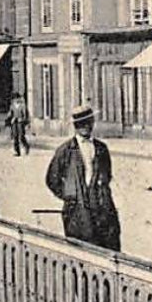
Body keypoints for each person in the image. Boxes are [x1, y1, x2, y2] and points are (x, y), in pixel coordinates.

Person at [43, 104, 121, 251]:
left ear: (93, 123)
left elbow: (107, 174)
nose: (85, 127)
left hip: (102, 207)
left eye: (88, 122)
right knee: (82, 250)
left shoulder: (101, 148)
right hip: (77, 211)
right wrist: (69, 196)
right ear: (75, 126)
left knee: (108, 246)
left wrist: (100, 191)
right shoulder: (65, 150)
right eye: (80, 124)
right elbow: (52, 180)